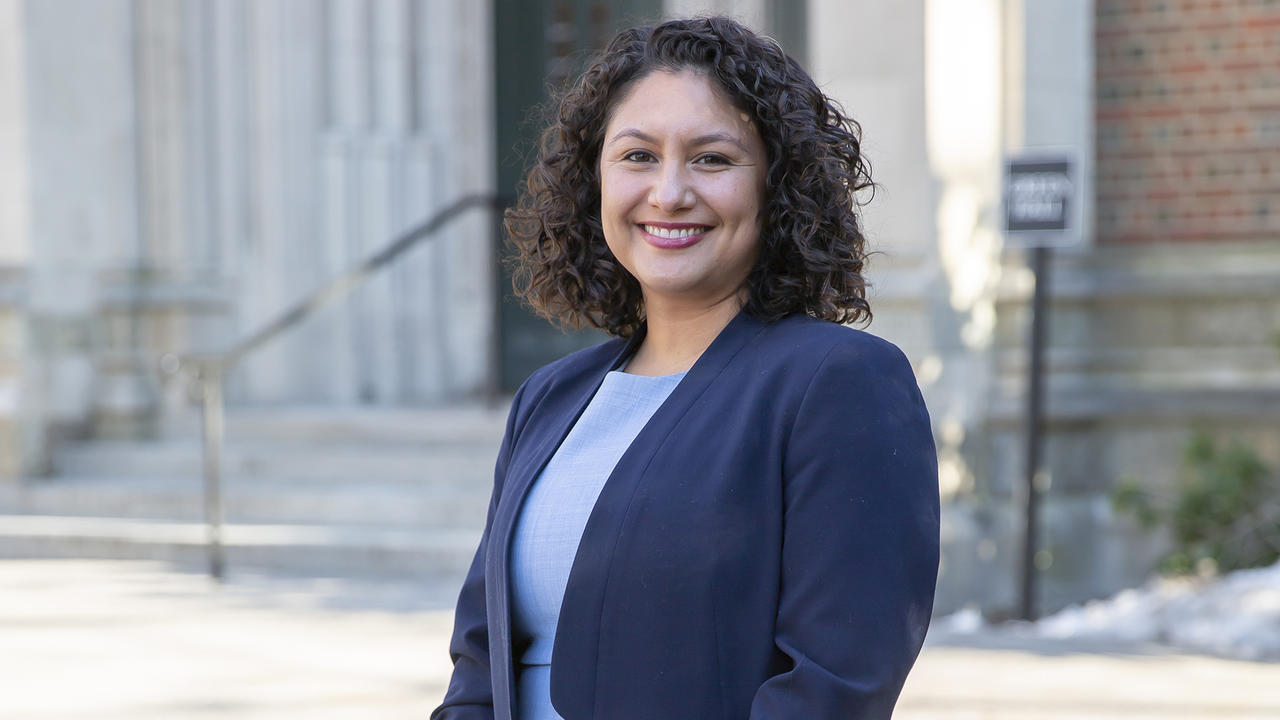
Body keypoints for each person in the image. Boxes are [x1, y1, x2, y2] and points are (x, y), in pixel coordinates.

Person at [432, 16, 938, 720]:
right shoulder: (550, 398)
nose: (668, 193)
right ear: (594, 179)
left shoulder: (837, 383)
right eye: (637, 156)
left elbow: (834, 687)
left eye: (712, 159)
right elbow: (481, 667)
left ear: (776, 185)